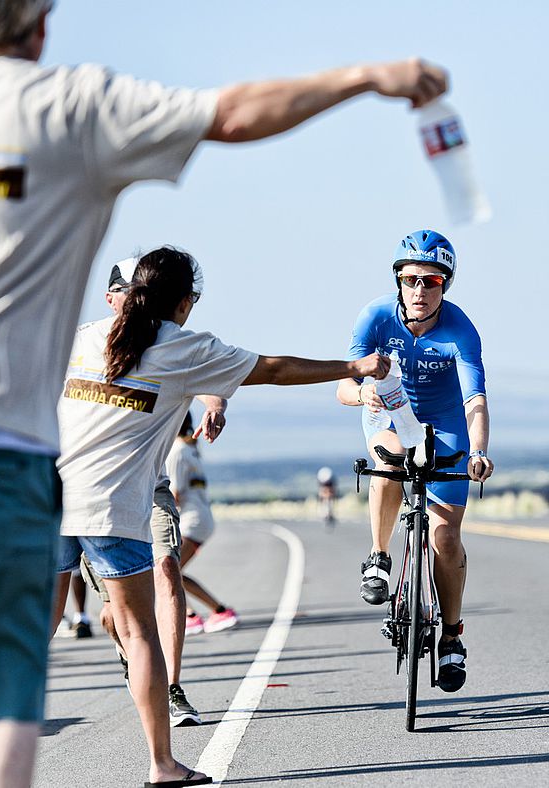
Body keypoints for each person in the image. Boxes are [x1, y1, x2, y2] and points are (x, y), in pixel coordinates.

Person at [0, 0, 447, 781]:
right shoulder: (72, 109)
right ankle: (161, 761)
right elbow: (233, 114)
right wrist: (367, 76)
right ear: (41, 26)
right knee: (13, 682)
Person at [54, 245, 388, 785]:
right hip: (112, 510)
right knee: (140, 635)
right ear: (185, 303)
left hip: (51, 498)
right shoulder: (183, 346)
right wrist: (352, 366)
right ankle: (163, 764)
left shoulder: (88, 336)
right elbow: (275, 369)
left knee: (34, 631)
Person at [337, 230, 494, 693]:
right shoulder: (375, 316)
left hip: (446, 422)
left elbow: (475, 401)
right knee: (390, 455)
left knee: (445, 535)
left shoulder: (461, 330)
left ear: (445, 285)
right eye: (411, 280)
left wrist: (480, 450)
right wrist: (363, 391)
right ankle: (379, 556)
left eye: (432, 281)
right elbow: (342, 386)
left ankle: (451, 636)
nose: (420, 290)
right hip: (389, 413)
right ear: (398, 281)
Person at [81, 258, 229, 729]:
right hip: (95, 493)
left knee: (167, 568)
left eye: (142, 291)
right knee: (114, 611)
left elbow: (214, 376)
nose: (137, 300)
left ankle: (171, 687)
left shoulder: (170, 343)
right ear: (112, 298)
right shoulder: (88, 341)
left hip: (152, 485)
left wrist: (215, 405)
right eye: (127, 291)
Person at [166, 414, 239, 635]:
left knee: (169, 571)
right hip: (200, 518)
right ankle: (197, 613)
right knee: (170, 571)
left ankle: (210, 612)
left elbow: (173, 494)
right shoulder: (190, 449)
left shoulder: (176, 452)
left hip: (191, 520)